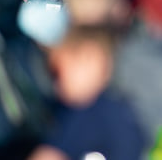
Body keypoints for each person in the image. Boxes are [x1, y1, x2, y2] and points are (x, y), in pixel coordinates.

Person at [27, 26, 145, 160]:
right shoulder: (124, 110)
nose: (54, 83)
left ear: (90, 57)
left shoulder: (87, 115)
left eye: (56, 71)